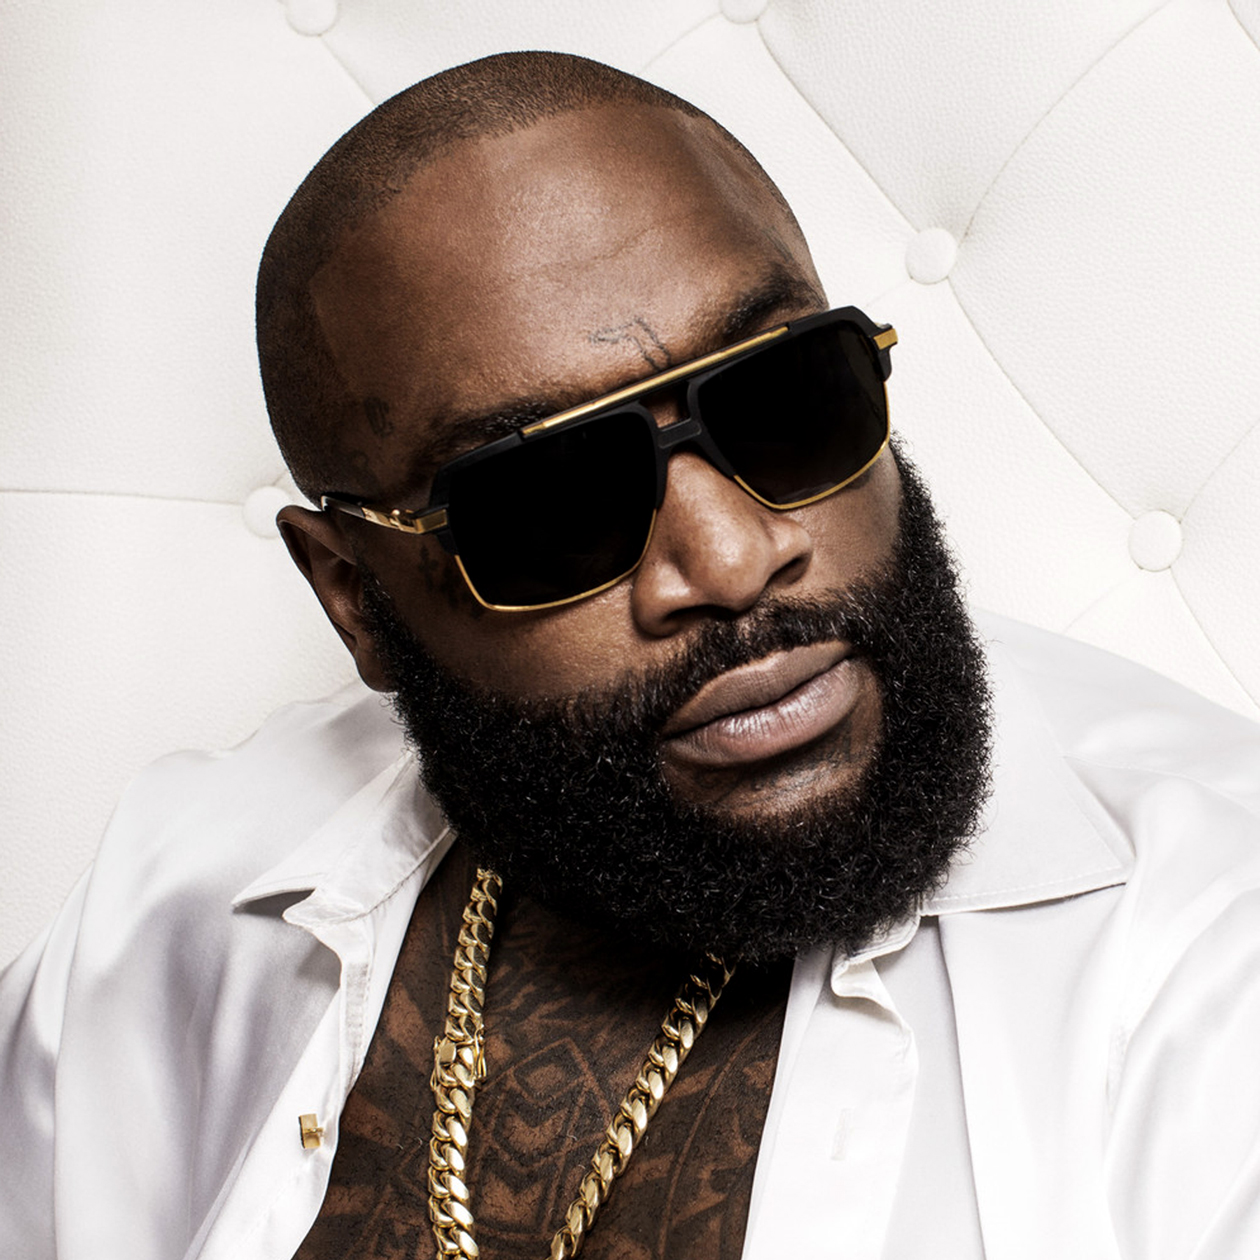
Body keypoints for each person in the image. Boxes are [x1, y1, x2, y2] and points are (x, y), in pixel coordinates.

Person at [2, 50, 1259, 1260]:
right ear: (355, 596)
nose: (734, 560)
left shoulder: (1215, 966)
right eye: (552, 500)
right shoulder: (173, 899)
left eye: (784, 396)